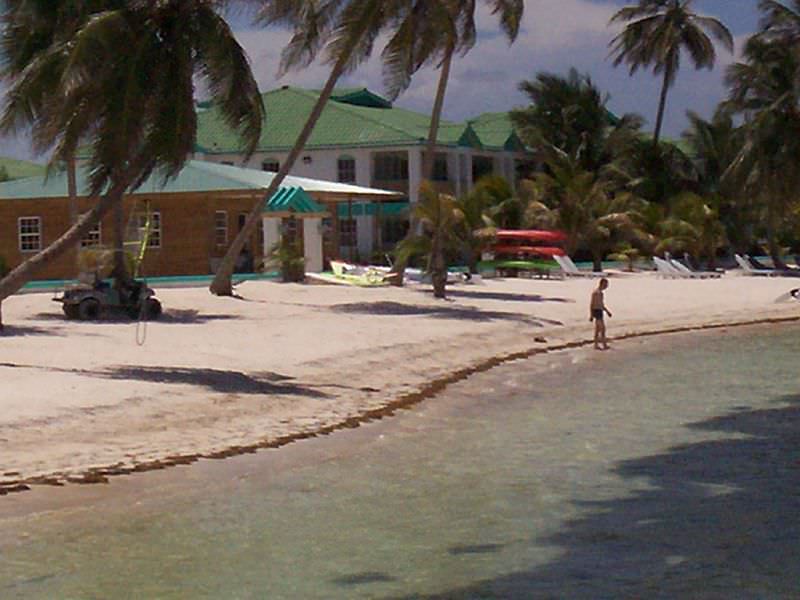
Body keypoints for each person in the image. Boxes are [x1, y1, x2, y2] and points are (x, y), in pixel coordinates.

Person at [590, 278, 612, 350]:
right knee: (602, 329)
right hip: (597, 312)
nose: (607, 286)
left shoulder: (600, 293)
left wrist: (607, 311)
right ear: (602, 284)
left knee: (597, 329)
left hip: (599, 311)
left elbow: (601, 304)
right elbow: (592, 304)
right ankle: (604, 345)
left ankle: (596, 345)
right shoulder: (597, 293)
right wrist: (591, 315)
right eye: (606, 284)